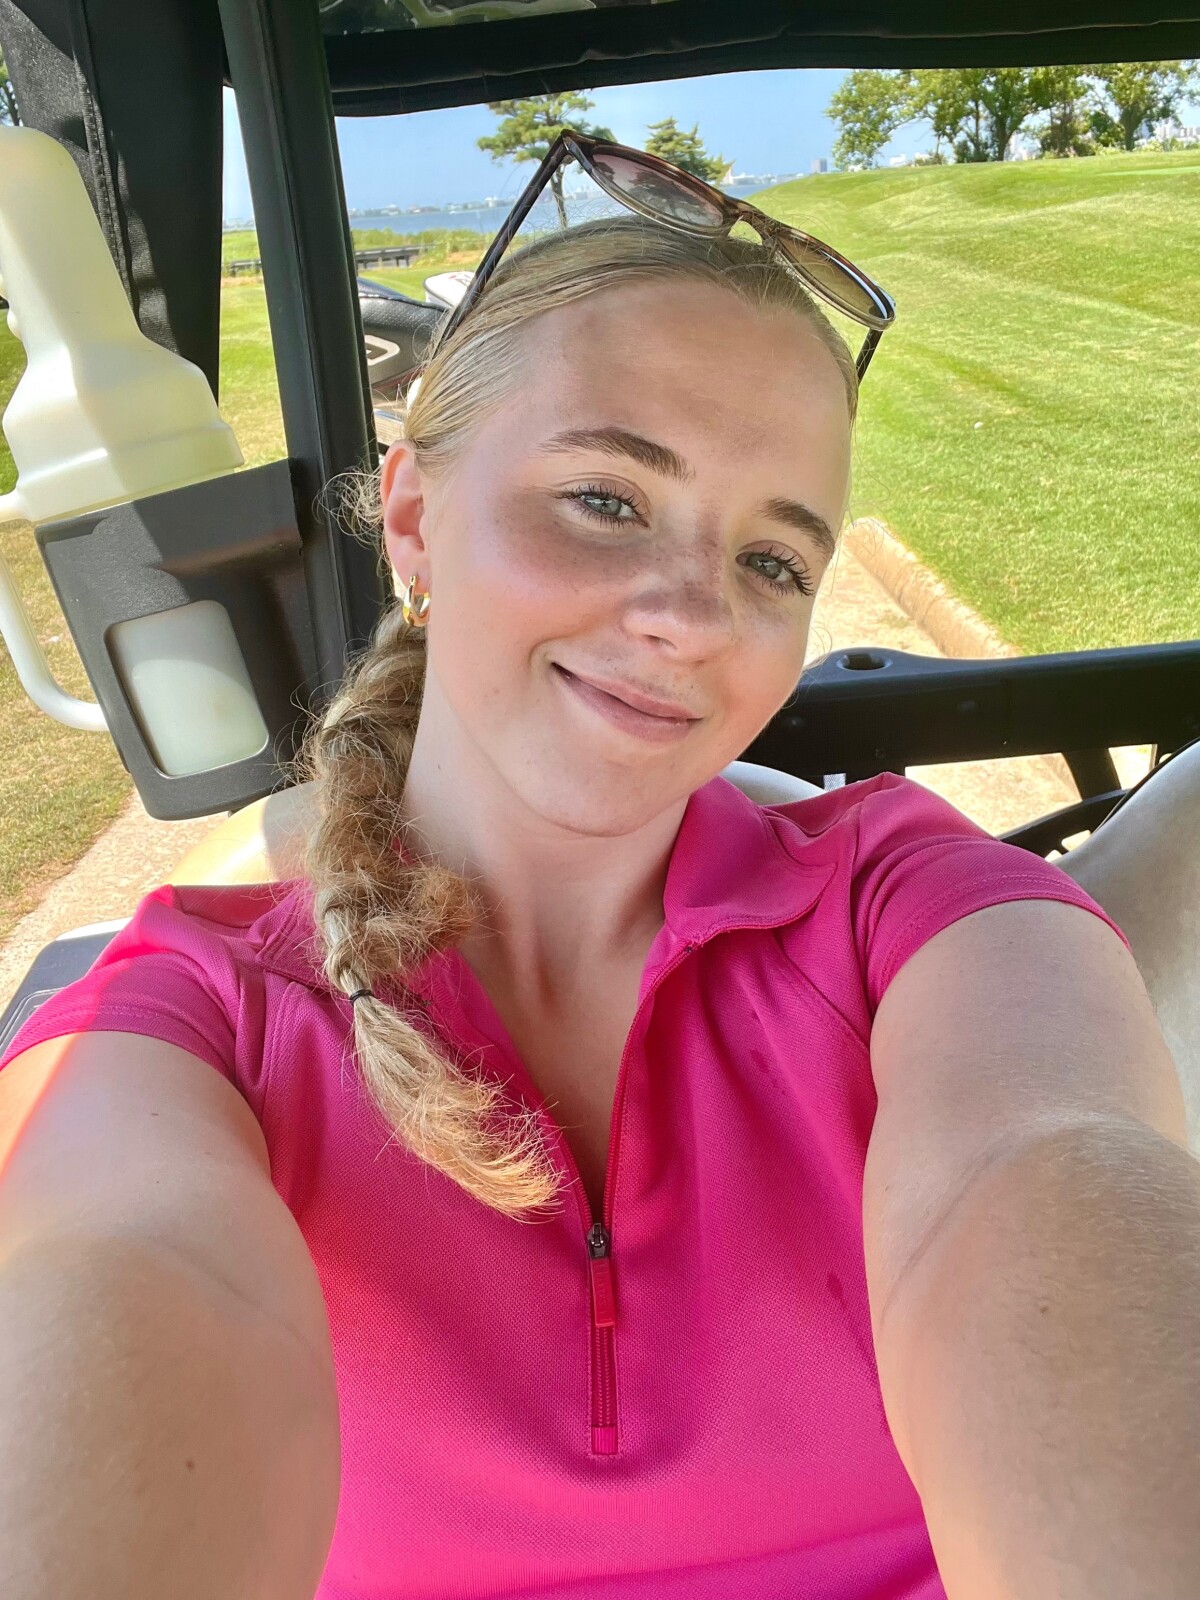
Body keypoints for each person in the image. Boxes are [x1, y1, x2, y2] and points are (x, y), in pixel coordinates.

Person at [1, 170, 1197, 1600]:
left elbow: (1047, 1154)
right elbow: (112, 1274)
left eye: (773, 559)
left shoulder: (907, 906)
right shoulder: (189, 1022)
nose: (692, 614)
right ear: (415, 515)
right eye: (605, 499)